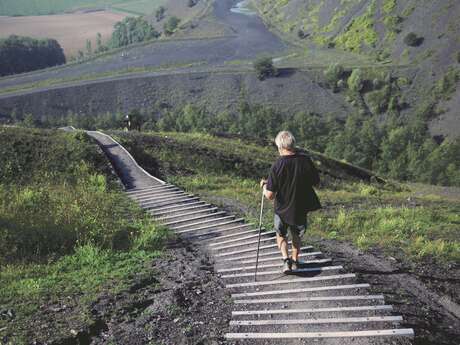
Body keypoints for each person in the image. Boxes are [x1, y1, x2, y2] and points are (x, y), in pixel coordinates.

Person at [260, 130, 321, 274]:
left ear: (280, 146)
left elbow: (270, 196)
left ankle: (286, 260)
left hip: (282, 209)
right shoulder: (305, 161)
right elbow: (316, 183)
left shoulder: (277, 165)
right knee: (296, 235)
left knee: (281, 234)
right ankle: (295, 260)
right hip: (300, 207)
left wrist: (264, 187)